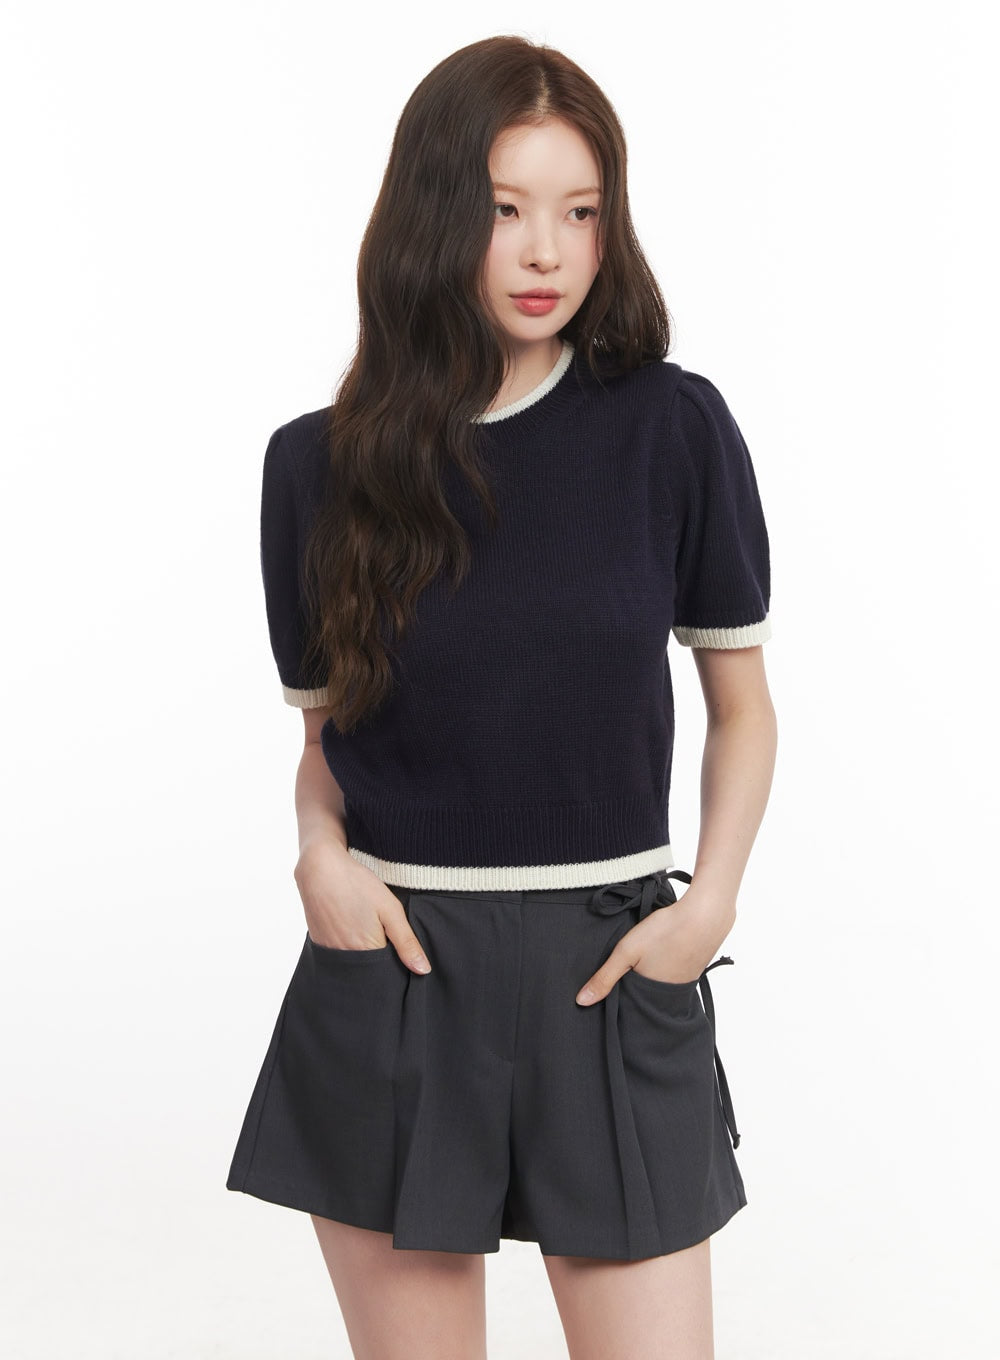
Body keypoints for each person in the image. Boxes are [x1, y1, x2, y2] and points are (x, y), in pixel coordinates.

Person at [226, 32, 778, 1360]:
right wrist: (318, 858)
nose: (547, 252)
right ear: (433, 216)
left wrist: (707, 907)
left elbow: (743, 706)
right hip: (398, 968)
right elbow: (327, 742)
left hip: (612, 967)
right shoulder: (318, 469)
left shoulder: (671, 428)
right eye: (505, 208)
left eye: (580, 213)